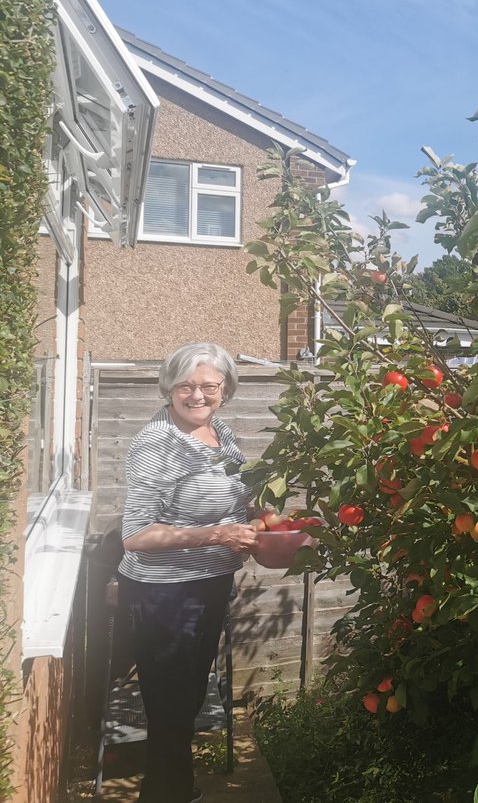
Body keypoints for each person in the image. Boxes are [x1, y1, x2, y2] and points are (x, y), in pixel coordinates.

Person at [118, 343, 260, 802]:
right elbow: (136, 534)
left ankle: (177, 789)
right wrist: (219, 536)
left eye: (209, 386)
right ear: (169, 388)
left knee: (189, 698)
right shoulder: (157, 443)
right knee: (170, 709)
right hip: (165, 595)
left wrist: (263, 514)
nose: (197, 395)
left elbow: (233, 496)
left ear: (225, 389)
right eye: (186, 385)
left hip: (210, 583)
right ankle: (167, 794)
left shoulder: (219, 431)